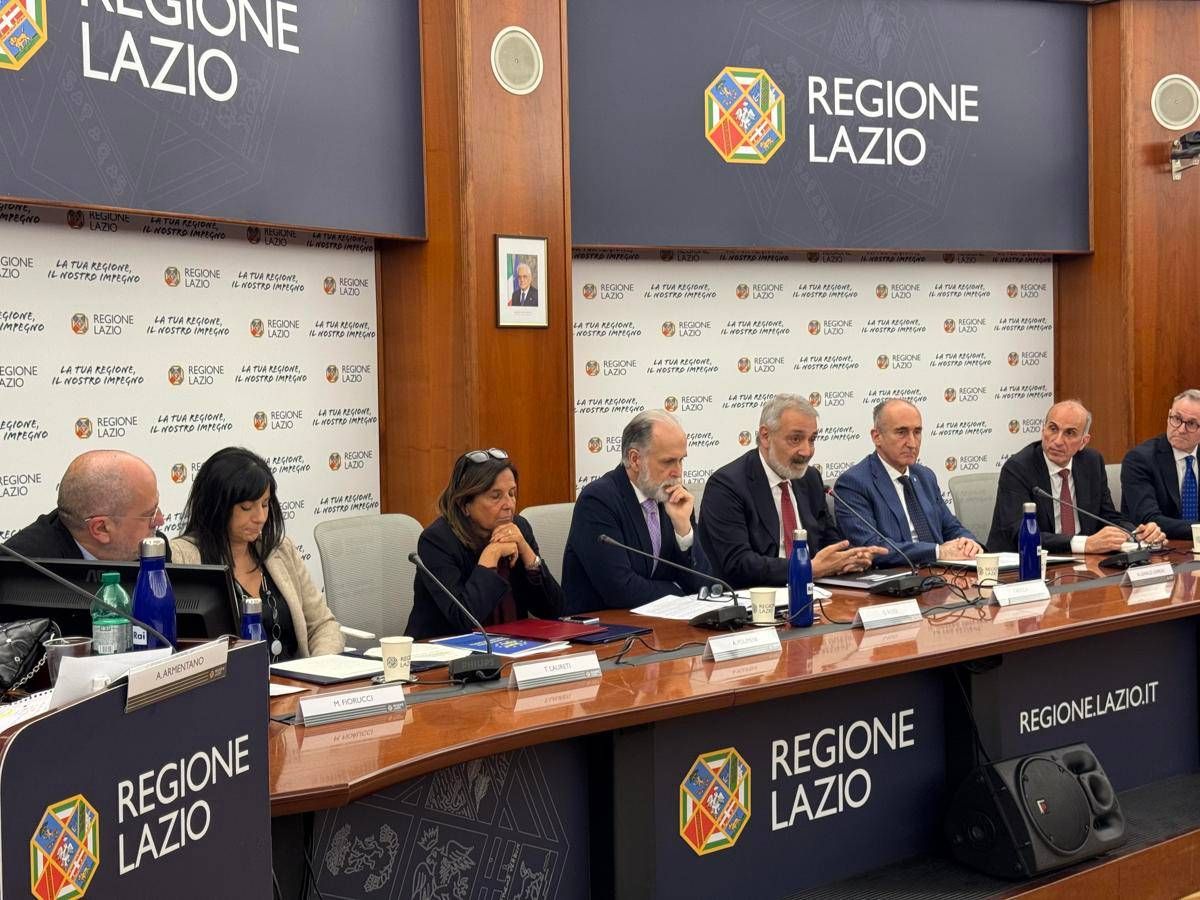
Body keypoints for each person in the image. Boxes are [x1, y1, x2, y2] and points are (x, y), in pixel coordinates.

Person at [171, 447, 343, 661]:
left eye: (265, 504)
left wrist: (320, 666)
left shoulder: (280, 549)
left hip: (296, 679)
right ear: (216, 506)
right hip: (229, 681)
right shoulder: (181, 557)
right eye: (246, 507)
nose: (260, 517)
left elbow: (323, 625)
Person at [699, 394, 885, 589]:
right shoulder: (727, 485)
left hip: (816, 591)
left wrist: (850, 557)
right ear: (765, 436)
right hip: (757, 597)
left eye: (812, 439)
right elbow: (738, 564)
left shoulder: (810, 478)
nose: (807, 451)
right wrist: (807, 569)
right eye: (795, 439)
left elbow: (828, 540)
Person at [563, 410, 712, 611]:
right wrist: (679, 591)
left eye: (681, 460)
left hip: (660, 621)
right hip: (602, 624)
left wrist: (683, 530)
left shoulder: (675, 498)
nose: (678, 472)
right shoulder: (598, 501)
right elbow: (620, 590)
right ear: (635, 459)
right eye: (668, 462)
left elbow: (703, 585)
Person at [406, 449, 563, 639]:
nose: (509, 505)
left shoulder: (519, 528)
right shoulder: (437, 541)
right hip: (444, 650)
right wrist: (491, 556)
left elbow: (555, 611)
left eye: (512, 493)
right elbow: (464, 620)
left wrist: (528, 553)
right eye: (496, 496)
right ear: (464, 504)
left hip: (512, 646)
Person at [988, 400, 1164, 552]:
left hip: (1080, 563)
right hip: (1023, 565)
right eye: (1053, 429)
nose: (1057, 441)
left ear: (1083, 442)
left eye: (1069, 433)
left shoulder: (1091, 462)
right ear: (1043, 430)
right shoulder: (1018, 468)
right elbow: (1019, 534)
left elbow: (1107, 516)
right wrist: (1084, 544)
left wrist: (1136, 533)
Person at [834, 398, 982, 567]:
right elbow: (871, 547)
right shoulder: (853, 483)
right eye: (901, 432)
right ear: (877, 437)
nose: (912, 443)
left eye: (917, 432)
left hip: (939, 573)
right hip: (896, 576)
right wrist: (937, 552)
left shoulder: (925, 476)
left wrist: (969, 543)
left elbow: (951, 527)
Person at [4, 450, 167, 561]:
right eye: (150, 514)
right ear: (101, 528)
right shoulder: (23, 567)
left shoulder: (154, 549)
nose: (160, 520)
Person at [1122, 389, 1200, 540]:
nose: (1181, 429)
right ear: (1169, 415)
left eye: (1191, 423)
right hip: (1160, 547)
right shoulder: (1139, 459)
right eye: (1176, 418)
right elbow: (1149, 519)